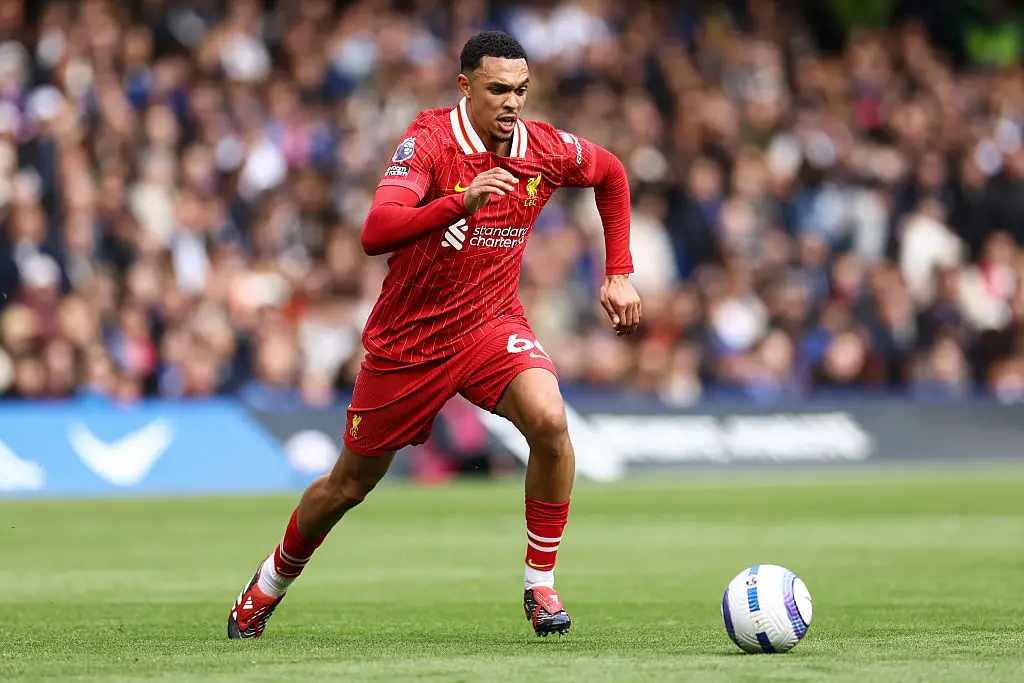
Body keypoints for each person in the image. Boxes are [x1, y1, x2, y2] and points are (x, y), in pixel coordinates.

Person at [227, 30, 642, 640]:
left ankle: (540, 585)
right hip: (409, 342)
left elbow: (611, 174)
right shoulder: (428, 142)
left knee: (551, 423)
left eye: (521, 90)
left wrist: (620, 271)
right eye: (499, 89)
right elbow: (376, 231)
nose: (512, 103)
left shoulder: (545, 148)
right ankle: (267, 585)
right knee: (348, 486)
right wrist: (459, 202)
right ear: (465, 85)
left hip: (489, 324)